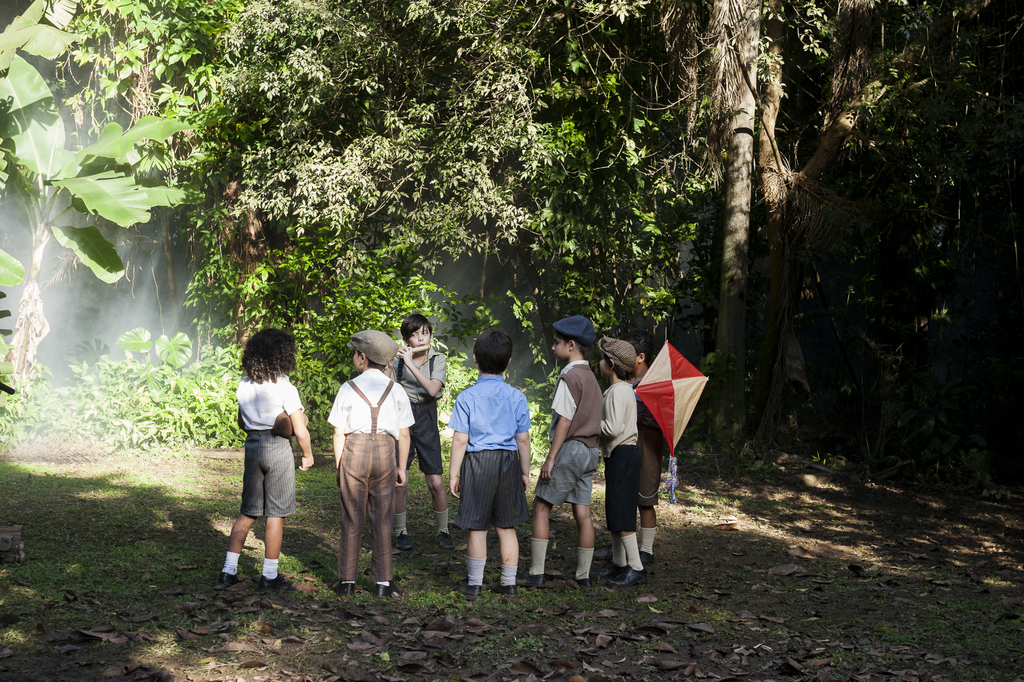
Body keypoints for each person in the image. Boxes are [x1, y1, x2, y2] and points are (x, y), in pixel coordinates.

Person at [219, 328, 314, 591]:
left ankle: (228, 571)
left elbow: (241, 421)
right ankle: (269, 576)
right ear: (282, 356)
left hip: (253, 446)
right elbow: (300, 429)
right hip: (277, 448)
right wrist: (307, 454)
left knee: (247, 512)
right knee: (276, 514)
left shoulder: (244, 384)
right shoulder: (284, 386)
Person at [328, 330, 413, 598]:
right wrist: (401, 467)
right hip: (386, 452)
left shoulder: (347, 388)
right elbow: (404, 433)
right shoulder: (396, 389)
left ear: (362, 358)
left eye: (355, 353)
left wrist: (340, 464)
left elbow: (338, 432)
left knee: (352, 515)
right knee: (383, 516)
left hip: (354, 450)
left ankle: (347, 581)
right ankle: (383, 583)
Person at [447, 329, 531, 598]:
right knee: (506, 526)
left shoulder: (467, 397)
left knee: (478, 526)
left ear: (475, 359)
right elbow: (524, 440)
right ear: (508, 362)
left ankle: (473, 584)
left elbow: (460, 440)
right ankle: (509, 584)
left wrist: (453, 473)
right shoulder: (517, 397)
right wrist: (525, 472)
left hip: (477, 462)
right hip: (508, 461)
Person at [522, 315, 601, 588]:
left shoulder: (569, 376)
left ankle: (536, 572)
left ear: (571, 345)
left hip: (571, 449)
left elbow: (565, 420)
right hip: (591, 451)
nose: (553, 348)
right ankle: (583, 577)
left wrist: (551, 458)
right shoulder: (591, 376)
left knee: (541, 505)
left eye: (556, 343)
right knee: (583, 513)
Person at [390, 314, 452, 551]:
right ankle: (401, 532)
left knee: (435, 481)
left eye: (424, 333)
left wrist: (411, 365)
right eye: (414, 335)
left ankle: (444, 531)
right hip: (401, 419)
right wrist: (389, 364)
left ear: (431, 336)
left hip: (426, 417)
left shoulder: (438, 359)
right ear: (406, 340)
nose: (420, 338)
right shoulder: (397, 362)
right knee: (400, 480)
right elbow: (388, 390)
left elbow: (433, 389)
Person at [595, 337, 647, 586]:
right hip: (620, 457)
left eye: (602, 359)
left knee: (623, 514)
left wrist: (591, 424)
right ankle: (618, 562)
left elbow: (613, 428)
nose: (599, 362)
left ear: (612, 364)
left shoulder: (618, 391)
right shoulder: (622, 389)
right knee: (615, 511)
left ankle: (635, 567)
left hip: (624, 456)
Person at [622, 330, 663, 565]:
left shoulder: (655, 383)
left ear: (640, 357)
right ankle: (623, 547)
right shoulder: (624, 379)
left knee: (645, 497)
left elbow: (661, 417)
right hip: (625, 441)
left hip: (648, 441)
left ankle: (646, 550)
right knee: (624, 495)